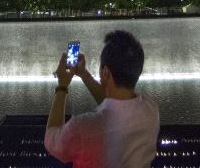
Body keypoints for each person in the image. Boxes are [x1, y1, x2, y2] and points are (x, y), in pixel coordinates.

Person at [44, 30, 160, 167]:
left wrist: (62, 86)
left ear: (105, 72)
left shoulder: (84, 127)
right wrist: (84, 74)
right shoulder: (150, 110)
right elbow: (118, 104)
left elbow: (51, 139)